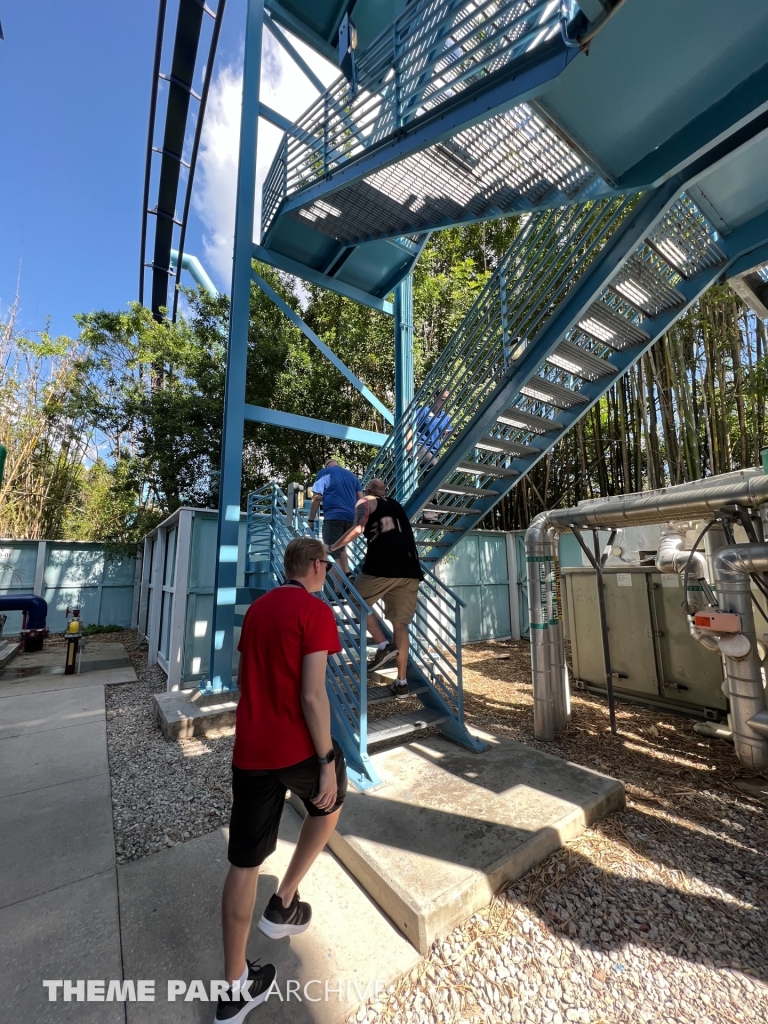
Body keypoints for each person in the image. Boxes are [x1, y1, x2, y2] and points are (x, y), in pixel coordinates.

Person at [215, 536, 347, 1024]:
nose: (328, 573)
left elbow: (248, 676)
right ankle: (285, 902)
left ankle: (233, 988)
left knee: (243, 864)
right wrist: (327, 759)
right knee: (330, 803)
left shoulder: (257, 611)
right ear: (315, 565)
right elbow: (313, 697)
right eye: (327, 566)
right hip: (296, 749)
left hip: (250, 750)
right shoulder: (315, 612)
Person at [328, 479, 423, 698]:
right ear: (385, 491)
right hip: (409, 571)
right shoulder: (396, 505)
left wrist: (333, 547)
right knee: (401, 627)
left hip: (382, 567)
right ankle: (401, 683)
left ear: (368, 491)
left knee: (355, 601)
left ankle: (382, 645)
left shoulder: (364, 502)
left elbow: (358, 528)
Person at [308, 458, 363, 576]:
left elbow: (317, 498)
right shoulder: (352, 476)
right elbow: (361, 498)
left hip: (334, 517)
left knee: (331, 553)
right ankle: (348, 574)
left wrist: (311, 520)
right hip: (351, 519)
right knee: (341, 547)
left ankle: (339, 593)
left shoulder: (324, 472)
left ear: (327, 465)